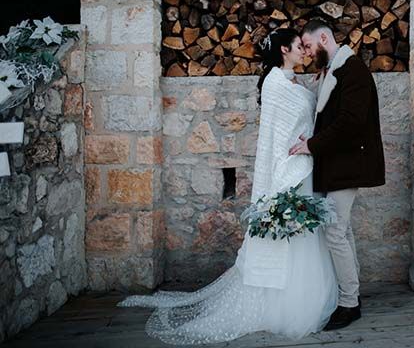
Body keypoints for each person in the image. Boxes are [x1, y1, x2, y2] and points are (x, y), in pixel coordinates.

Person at [117, 28, 338, 345]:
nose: (304, 49)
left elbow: (302, 122)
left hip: (303, 168)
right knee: (288, 239)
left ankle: (303, 299)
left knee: (302, 239)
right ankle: (282, 309)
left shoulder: (294, 80)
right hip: (288, 170)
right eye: (298, 46)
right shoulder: (276, 82)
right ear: (283, 51)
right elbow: (271, 140)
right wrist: (277, 179)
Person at [289, 18, 386, 330]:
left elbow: (350, 123)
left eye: (307, 45)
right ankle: (352, 294)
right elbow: (329, 117)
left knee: (334, 231)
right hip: (338, 164)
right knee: (342, 231)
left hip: (349, 164)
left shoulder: (352, 70)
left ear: (324, 39)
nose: (305, 52)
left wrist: (312, 146)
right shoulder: (333, 70)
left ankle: (349, 303)